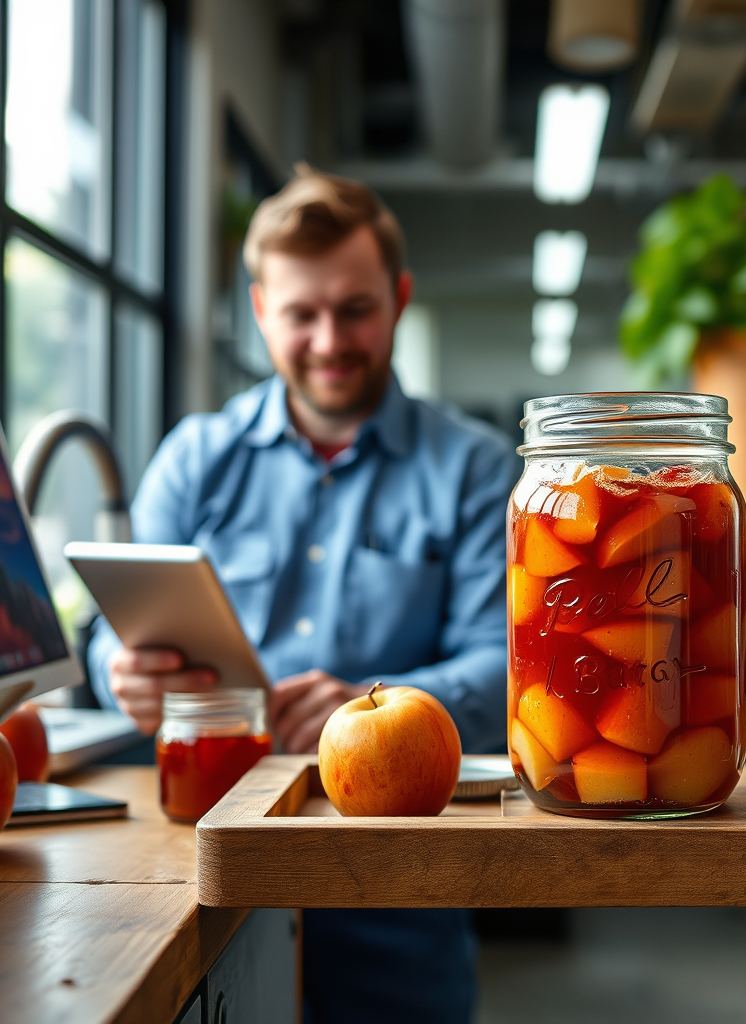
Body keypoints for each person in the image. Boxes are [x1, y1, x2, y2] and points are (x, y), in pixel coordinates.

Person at [89, 165, 517, 1024]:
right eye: (301, 314)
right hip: (208, 856)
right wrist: (120, 673)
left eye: (355, 308)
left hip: (395, 879)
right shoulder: (194, 458)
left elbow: (509, 665)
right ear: (260, 312)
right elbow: (110, 636)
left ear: (397, 298)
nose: (329, 339)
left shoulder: (474, 469)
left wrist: (385, 712)